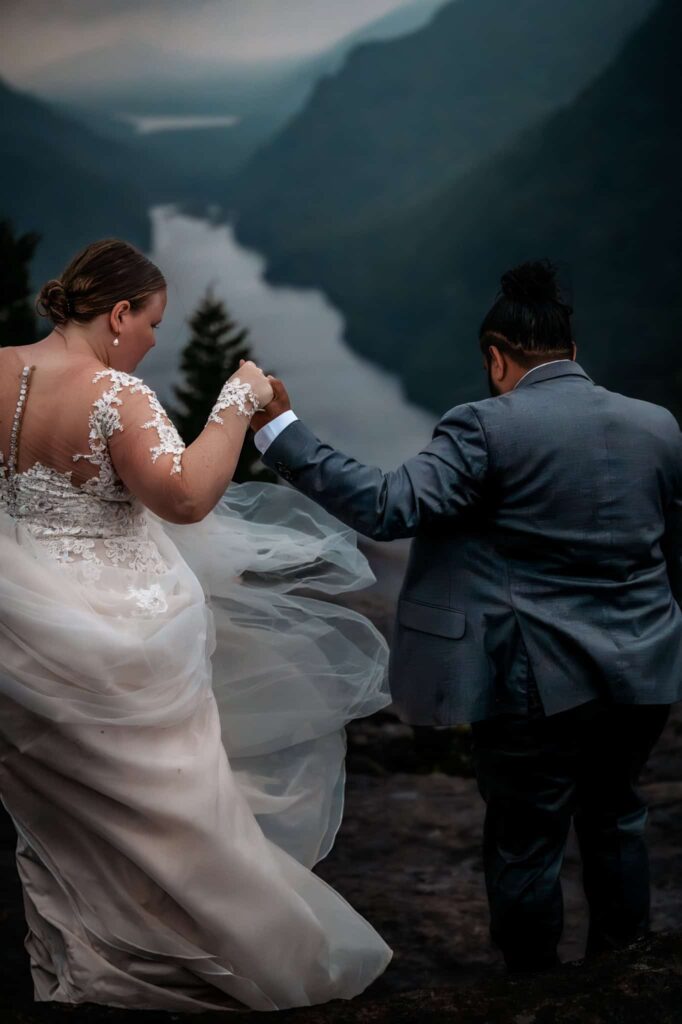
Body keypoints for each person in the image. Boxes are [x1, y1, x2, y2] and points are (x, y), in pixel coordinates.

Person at [252, 259, 682, 973]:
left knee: (526, 840)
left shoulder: (484, 427)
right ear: (573, 353)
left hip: (536, 681)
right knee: (618, 819)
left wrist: (281, 433)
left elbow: (390, 506)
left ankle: (531, 987)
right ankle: (623, 973)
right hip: (643, 672)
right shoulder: (658, 426)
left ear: (496, 357)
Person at [0, 238, 393, 1012]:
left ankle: (82, 961)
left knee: (67, 806)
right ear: (117, 314)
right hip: (121, 627)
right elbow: (182, 498)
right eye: (150, 322)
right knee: (175, 807)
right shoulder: (117, 393)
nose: (152, 340)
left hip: (24, 616)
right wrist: (236, 403)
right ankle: (202, 958)